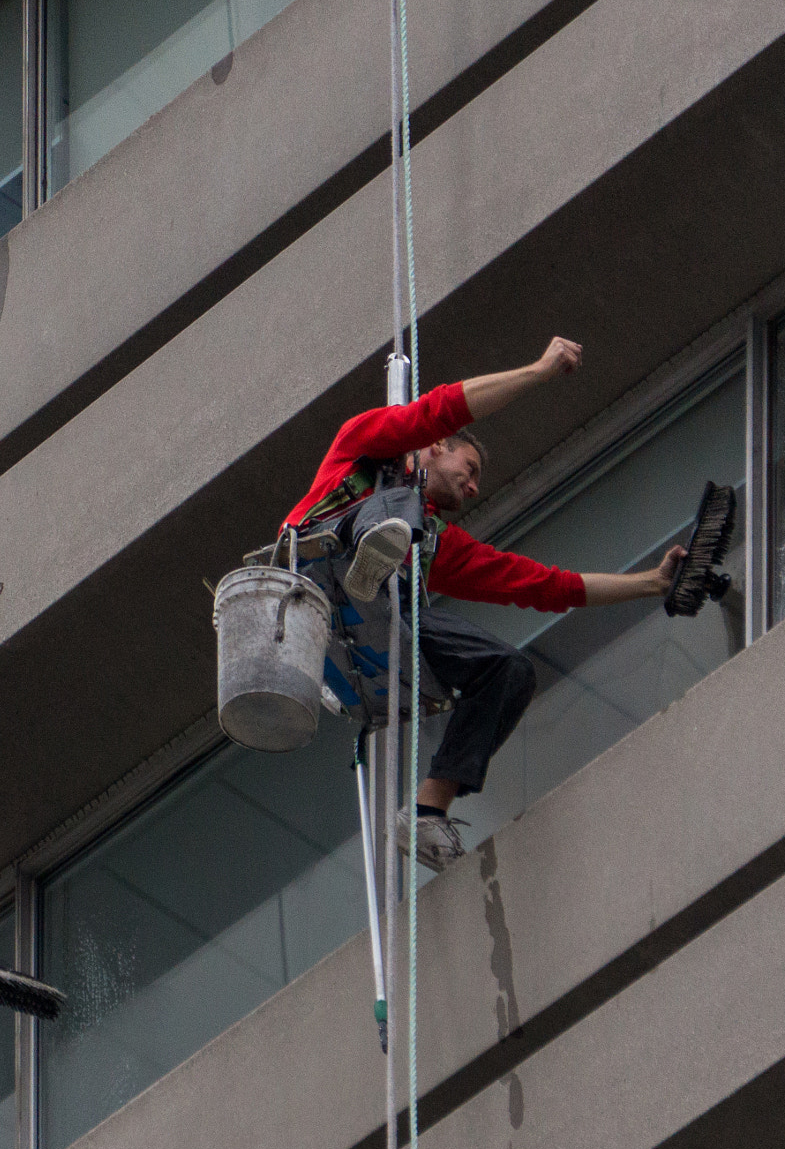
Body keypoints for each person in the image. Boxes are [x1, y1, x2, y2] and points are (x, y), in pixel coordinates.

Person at [283, 336, 685, 872]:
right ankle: (368, 554)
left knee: (509, 671)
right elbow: (438, 408)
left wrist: (649, 585)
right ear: (435, 446)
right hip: (310, 573)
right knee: (398, 503)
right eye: (468, 469)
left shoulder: (434, 543)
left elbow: (542, 585)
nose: (472, 487)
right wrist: (540, 372)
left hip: (376, 616)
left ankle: (428, 809)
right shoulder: (361, 446)